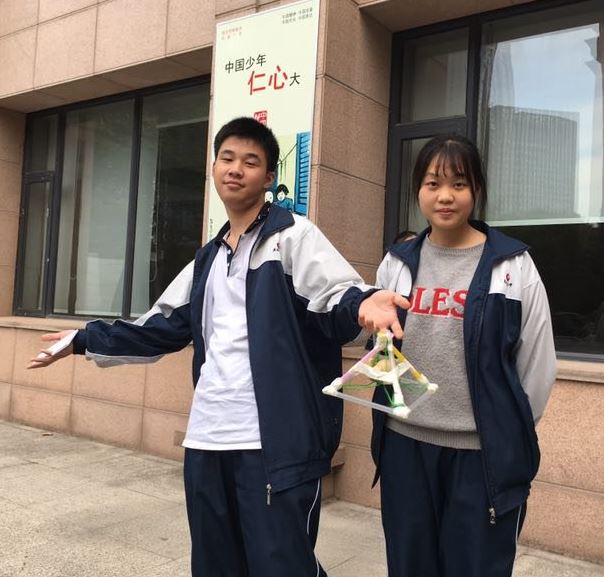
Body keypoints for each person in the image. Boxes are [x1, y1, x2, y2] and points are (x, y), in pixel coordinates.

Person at [29, 117, 408, 577]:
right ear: (213, 168)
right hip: (207, 439)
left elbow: (335, 298)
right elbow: (161, 327)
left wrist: (365, 302)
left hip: (275, 445)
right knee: (215, 565)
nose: (236, 169)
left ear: (269, 178)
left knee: (282, 565)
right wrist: (84, 338)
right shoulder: (207, 258)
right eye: (227, 158)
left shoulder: (293, 238)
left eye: (251, 162)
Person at [370, 134, 556, 577]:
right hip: (405, 446)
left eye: (459, 183)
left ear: (477, 190)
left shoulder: (511, 266)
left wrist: (501, 425)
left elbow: (536, 365)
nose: (445, 196)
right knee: (410, 566)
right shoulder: (396, 263)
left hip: (480, 455)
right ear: (418, 190)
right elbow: (383, 351)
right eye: (433, 183)